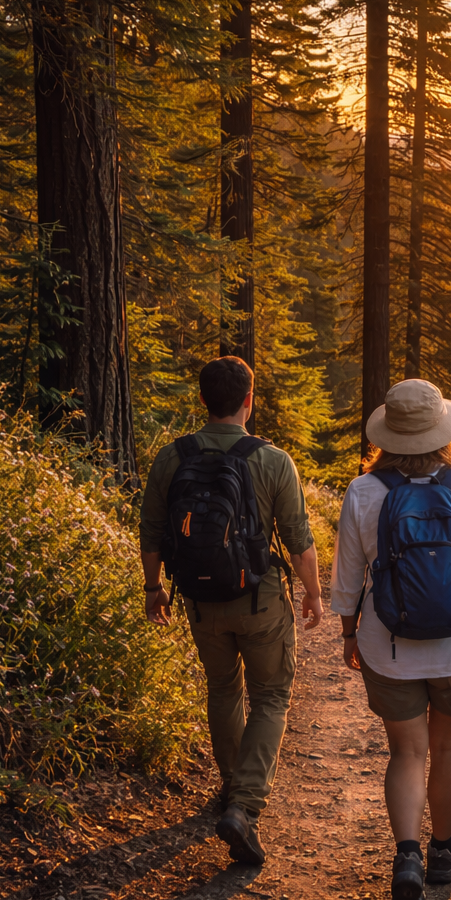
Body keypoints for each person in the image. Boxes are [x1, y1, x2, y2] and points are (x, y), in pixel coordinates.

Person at [332, 378, 451, 900]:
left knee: (407, 752)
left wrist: (349, 634)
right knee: (450, 745)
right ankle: (443, 853)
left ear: (386, 435)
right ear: (443, 433)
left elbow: (347, 580)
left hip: (388, 645)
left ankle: (407, 858)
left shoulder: (364, 492)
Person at [139, 356, 322, 865]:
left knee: (223, 689)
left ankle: (229, 789)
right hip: (260, 600)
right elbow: (298, 538)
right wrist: (312, 592)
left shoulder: (171, 457)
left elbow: (152, 531)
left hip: (200, 601)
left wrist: (154, 588)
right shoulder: (272, 460)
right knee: (270, 694)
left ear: (202, 401)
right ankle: (243, 804)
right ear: (249, 400)